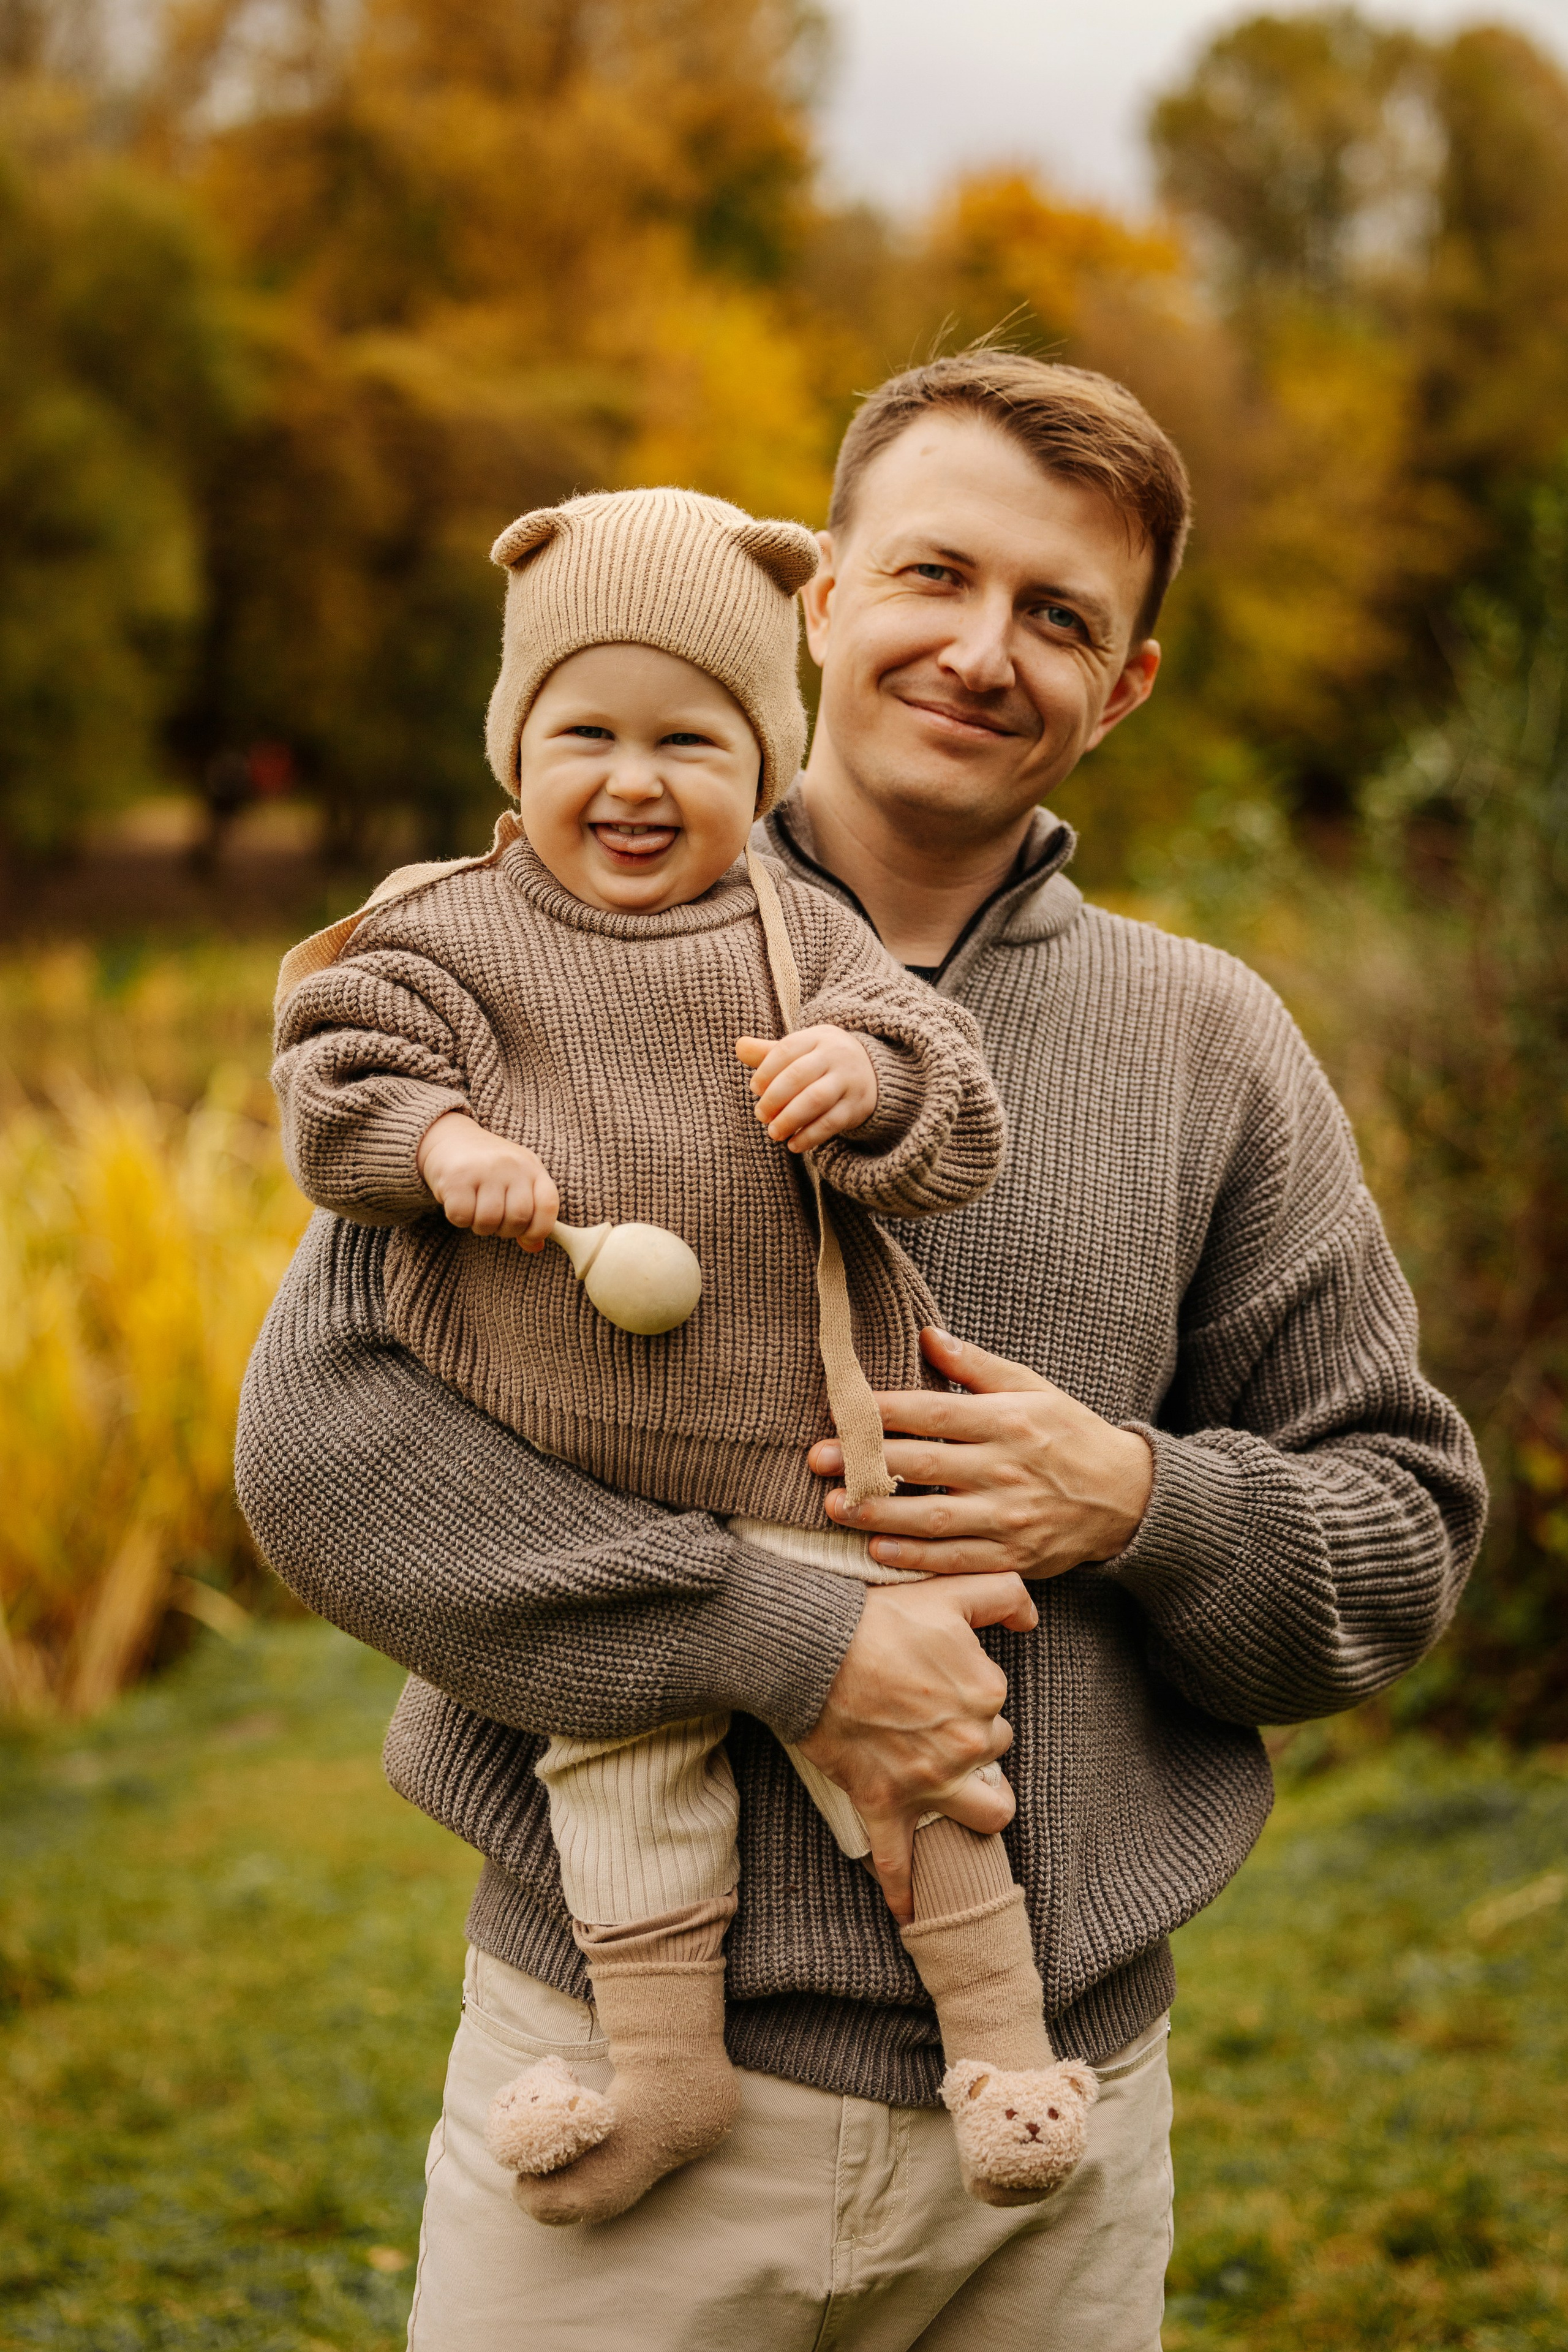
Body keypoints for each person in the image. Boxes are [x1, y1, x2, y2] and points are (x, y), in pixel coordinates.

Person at [236, 351, 1487, 2352]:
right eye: (935, 576)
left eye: (1061, 617)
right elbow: (325, 1455)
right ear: (818, 601)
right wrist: (786, 1637)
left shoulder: (1210, 1041)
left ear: (1127, 683)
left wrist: (1142, 1500)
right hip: (620, 2099)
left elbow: (1399, 1537)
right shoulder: (535, 946)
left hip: (1053, 2149)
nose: (985, 653)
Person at [267, 486, 1097, 2227]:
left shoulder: (800, 933)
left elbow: (952, 1108)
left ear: (762, 758)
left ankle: (1006, 2049)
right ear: (515, 745)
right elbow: (336, 1076)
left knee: (926, 1757)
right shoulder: (444, 931)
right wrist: (434, 1146)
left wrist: (865, 1090)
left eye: (691, 741)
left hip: (797, 1457)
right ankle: (664, 2075)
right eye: (587, 732)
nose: (634, 781)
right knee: (618, 1783)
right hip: (581, 1511)